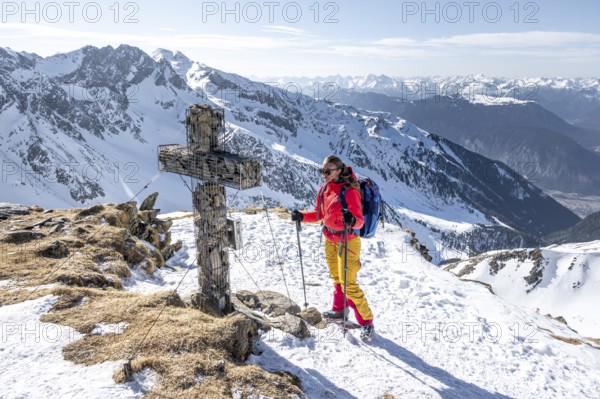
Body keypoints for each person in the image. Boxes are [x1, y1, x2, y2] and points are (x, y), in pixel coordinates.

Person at [291, 155, 374, 340]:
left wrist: (352, 220)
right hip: (329, 238)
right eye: (322, 171)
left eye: (328, 171)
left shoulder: (349, 191)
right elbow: (318, 214)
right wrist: (301, 216)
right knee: (337, 278)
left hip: (348, 240)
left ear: (338, 171)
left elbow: (359, 222)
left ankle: (367, 322)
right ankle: (338, 310)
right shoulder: (324, 189)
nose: (324, 174)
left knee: (349, 284)